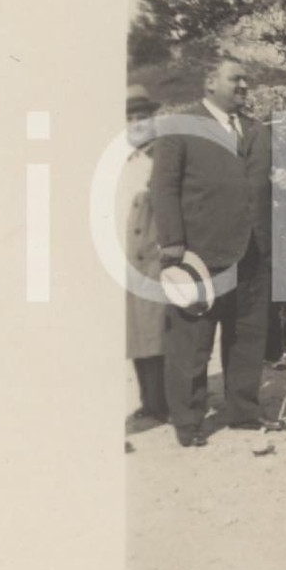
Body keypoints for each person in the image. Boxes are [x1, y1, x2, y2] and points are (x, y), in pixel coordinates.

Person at [151, 57, 272, 448]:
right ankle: (188, 421)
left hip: (253, 251)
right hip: (200, 253)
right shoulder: (179, 126)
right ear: (209, 82)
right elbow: (164, 187)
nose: (243, 86)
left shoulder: (256, 130)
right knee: (192, 341)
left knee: (247, 337)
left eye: (246, 81)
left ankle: (243, 411)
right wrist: (173, 243)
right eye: (236, 79)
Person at [124, 84, 168, 432]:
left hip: (155, 254)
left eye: (143, 117)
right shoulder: (127, 162)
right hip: (128, 256)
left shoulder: (162, 157)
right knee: (136, 332)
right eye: (131, 118)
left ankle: (162, 402)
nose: (137, 123)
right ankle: (147, 402)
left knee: (157, 330)